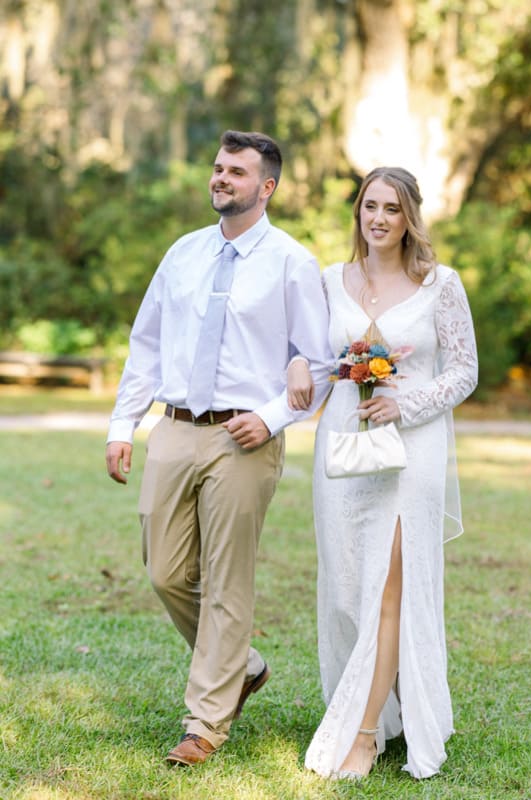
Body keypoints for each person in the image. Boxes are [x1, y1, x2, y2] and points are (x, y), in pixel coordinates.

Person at [104, 130, 332, 767]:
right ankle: (245, 665)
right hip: (174, 430)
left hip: (244, 437)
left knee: (229, 581)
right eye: (217, 168)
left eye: (236, 172)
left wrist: (269, 419)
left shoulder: (292, 262)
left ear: (267, 187)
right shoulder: (182, 253)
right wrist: (124, 425)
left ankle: (205, 724)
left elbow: (317, 365)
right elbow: (145, 343)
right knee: (165, 571)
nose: (220, 179)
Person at [285, 166, 478, 780]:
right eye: (370, 206)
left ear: (409, 217)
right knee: (347, 589)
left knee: (390, 589)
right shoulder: (328, 281)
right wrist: (295, 363)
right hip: (342, 447)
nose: (379, 219)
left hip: (409, 452)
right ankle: (384, 704)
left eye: (392, 209)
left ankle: (364, 734)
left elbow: (464, 370)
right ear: (358, 212)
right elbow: (310, 353)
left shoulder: (440, 285)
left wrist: (406, 404)